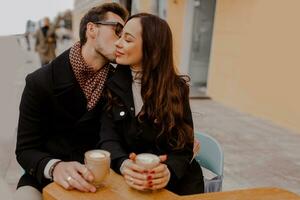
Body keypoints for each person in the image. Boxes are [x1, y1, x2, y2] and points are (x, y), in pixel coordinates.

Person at [14, 3, 128, 200]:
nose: (122, 40)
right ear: (91, 29)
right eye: (118, 30)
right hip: (45, 179)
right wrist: (55, 167)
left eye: (127, 35)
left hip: (100, 181)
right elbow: (25, 149)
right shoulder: (40, 81)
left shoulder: (118, 82)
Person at [99, 13, 204, 195]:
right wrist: (124, 164)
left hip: (178, 186)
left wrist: (168, 171)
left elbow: (184, 148)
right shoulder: (112, 84)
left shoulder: (176, 89)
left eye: (128, 39)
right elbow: (108, 138)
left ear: (151, 48)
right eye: (120, 35)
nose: (118, 43)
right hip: (130, 183)